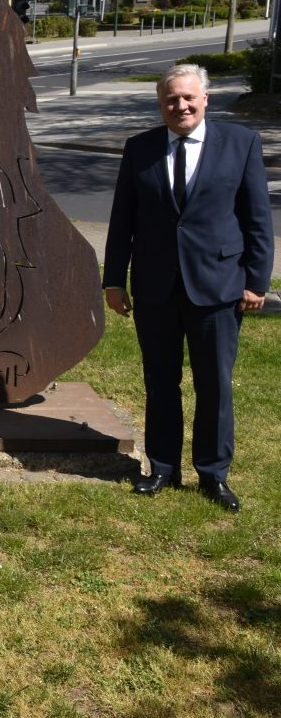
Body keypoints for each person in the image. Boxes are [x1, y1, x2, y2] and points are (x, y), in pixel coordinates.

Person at [102, 63, 273, 513]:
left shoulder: (241, 143)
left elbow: (257, 219)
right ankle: (162, 468)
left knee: (214, 385)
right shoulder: (139, 148)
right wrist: (114, 279)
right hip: (156, 287)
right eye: (171, 99)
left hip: (218, 287)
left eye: (188, 97)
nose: (180, 106)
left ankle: (213, 474)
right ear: (161, 104)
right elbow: (122, 220)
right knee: (160, 381)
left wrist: (256, 282)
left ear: (205, 99)